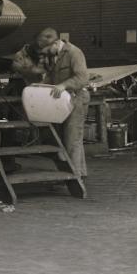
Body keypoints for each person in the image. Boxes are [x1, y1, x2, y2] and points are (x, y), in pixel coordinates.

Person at [36, 27, 90, 177]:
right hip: (62, 101)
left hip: (76, 98)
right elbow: (51, 77)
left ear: (55, 43)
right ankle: (80, 173)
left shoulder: (74, 53)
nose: (46, 54)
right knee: (69, 139)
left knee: (72, 139)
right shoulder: (54, 55)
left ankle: (75, 178)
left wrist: (64, 85)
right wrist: (39, 86)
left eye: (47, 50)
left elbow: (82, 78)